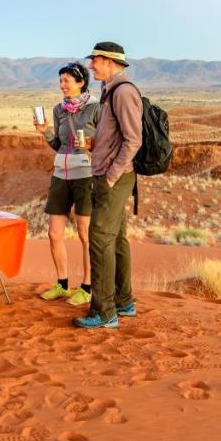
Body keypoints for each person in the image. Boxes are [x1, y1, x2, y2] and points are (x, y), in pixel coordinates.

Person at [73, 42, 142, 330]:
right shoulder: (111, 90)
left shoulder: (123, 92)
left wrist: (112, 175)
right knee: (116, 238)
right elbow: (116, 137)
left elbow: (133, 140)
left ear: (110, 62)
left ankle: (104, 312)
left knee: (99, 239)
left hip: (114, 177)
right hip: (110, 174)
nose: (91, 66)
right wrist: (94, 144)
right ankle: (124, 301)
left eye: (95, 61)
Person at [33, 62, 99, 307]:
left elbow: (105, 142)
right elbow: (58, 144)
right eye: (60, 81)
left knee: (85, 234)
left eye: (66, 81)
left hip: (86, 175)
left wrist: (91, 145)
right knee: (54, 233)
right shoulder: (59, 110)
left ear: (81, 83)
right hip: (61, 174)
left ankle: (88, 287)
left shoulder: (95, 108)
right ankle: (62, 285)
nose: (62, 86)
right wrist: (45, 132)